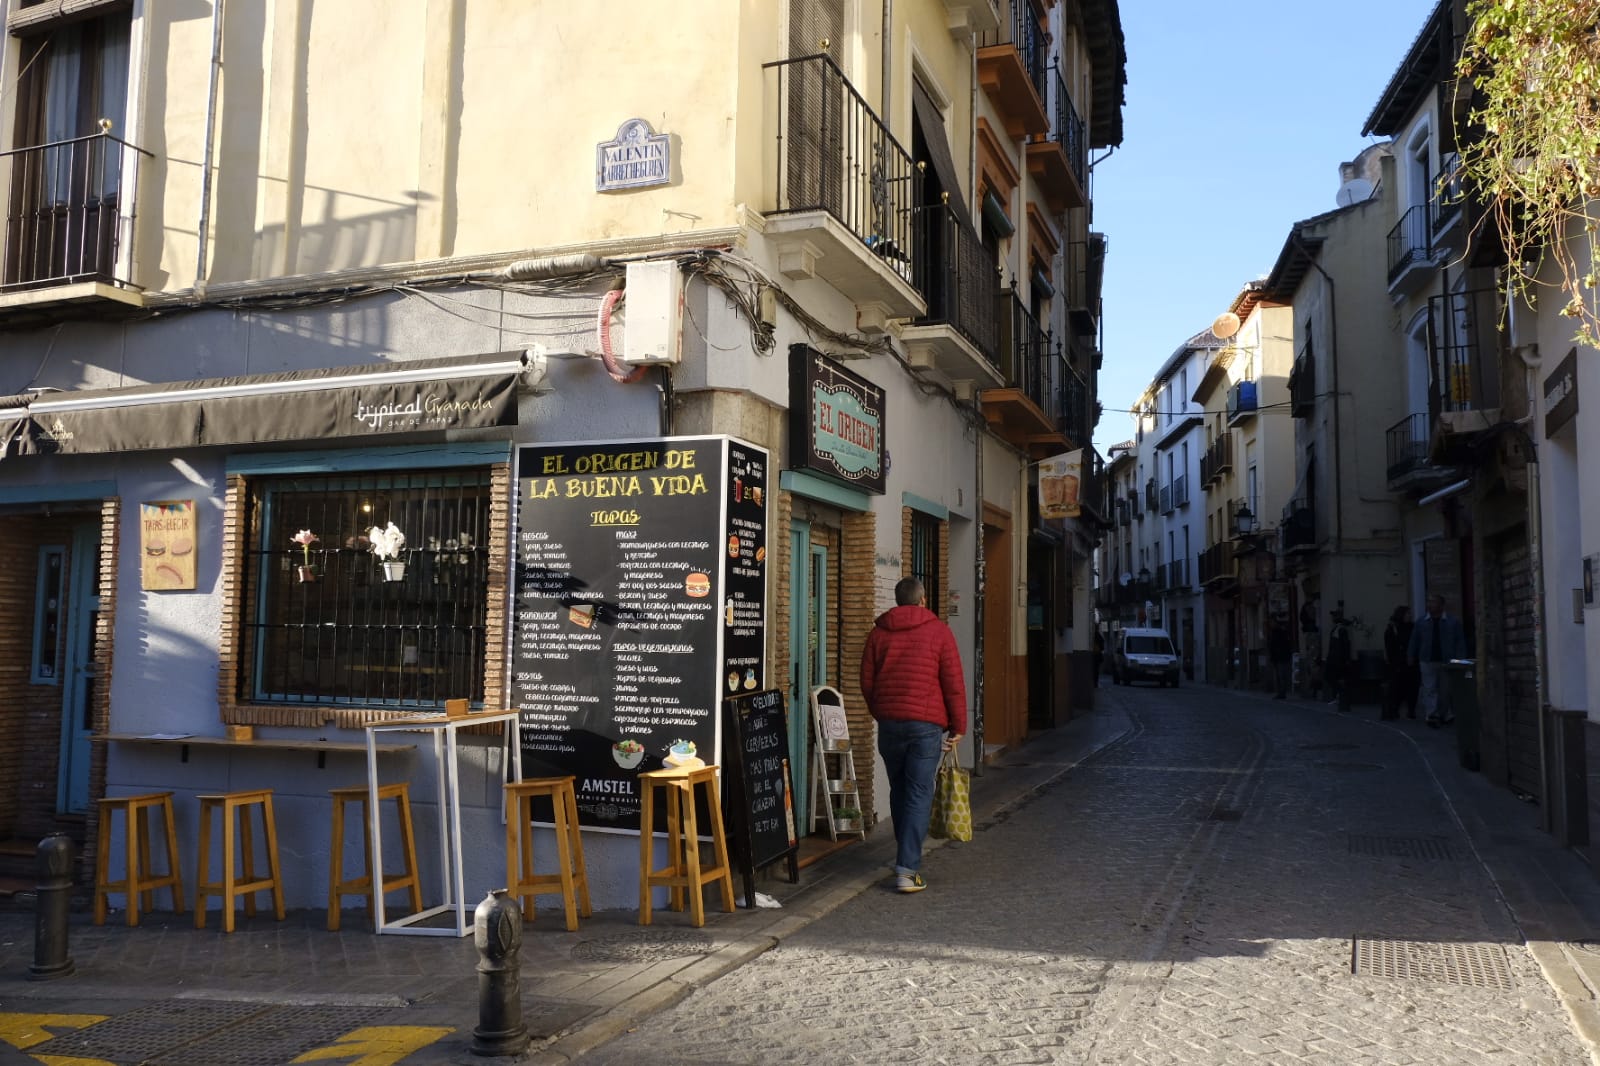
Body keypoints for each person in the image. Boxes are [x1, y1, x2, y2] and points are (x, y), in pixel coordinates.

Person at [860, 577, 967, 895]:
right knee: (920, 792)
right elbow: (953, 682)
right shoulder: (939, 632)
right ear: (923, 600)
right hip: (925, 726)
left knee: (900, 789)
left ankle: (904, 852)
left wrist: (882, 712)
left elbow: (867, 680)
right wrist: (959, 726)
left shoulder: (879, 633)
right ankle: (907, 869)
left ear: (897, 601)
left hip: (891, 724)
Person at [1408, 593, 1468, 727]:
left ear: (1441, 605)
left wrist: (1461, 660)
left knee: (1446, 690)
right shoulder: (1421, 621)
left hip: (1447, 660)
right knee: (1429, 688)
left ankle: (1445, 714)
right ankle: (1432, 714)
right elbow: (1414, 640)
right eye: (1429, 602)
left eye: (1433, 602)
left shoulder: (1452, 621)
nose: (1430, 605)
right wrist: (1411, 655)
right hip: (1427, 659)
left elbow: (1459, 641)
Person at [1382, 604, 1418, 720]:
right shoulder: (1393, 628)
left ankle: (1411, 710)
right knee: (1399, 687)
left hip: (1411, 662)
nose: (1410, 616)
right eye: (1408, 613)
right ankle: (1395, 709)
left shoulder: (1412, 627)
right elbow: (1390, 647)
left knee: (1413, 687)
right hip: (1399, 663)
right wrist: (1394, 662)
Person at [1325, 612, 1353, 713]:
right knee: (1332, 677)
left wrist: (1345, 659)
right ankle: (1338, 697)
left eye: (1333, 616)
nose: (1332, 618)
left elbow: (1344, 646)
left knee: (1336, 678)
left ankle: (1340, 698)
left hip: (1338, 659)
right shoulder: (1336, 629)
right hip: (1334, 659)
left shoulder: (1341, 630)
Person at [1268, 617, 1293, 699]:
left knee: (1281, 676)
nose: (1271, 624)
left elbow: (1284, 645)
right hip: (1277, 658)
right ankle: (1280, 692)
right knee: (1279, 676)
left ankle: (1282, 693)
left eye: (1272, 622)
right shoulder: (1274, 632)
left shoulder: (1281, 632)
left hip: (1281, 657)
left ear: (1276, 623)